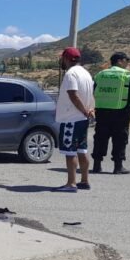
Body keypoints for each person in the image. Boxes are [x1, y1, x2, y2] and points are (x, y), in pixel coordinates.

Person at [92, 51, 130, 174]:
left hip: (102, 110)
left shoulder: (100, 74)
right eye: (126, 60)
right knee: (120, 138)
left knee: (100, 137)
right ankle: (118, 166)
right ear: (120, 61)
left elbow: (93, 90)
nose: (127, 63)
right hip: (121, 111)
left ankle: (97, 165)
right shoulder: (128, 75)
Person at [54, 47, 95, 192]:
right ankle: (84, 180)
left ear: (65, 58)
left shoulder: (70, 74)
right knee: (82, 150)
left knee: (70, 152)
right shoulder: (86, 73)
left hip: (71, 118)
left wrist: (84, 110)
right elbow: (91, 94)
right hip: (82, 119)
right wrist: (90, 110)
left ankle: (71, 183)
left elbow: (73, 95)